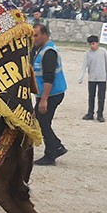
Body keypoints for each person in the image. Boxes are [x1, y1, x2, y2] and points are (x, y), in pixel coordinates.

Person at [31, 24, 68, 166]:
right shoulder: (40, 49)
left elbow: (48, 77)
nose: (33, 38)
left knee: (41, 121)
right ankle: (54, 149)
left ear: (44, 35)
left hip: (51, 94)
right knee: (41, 121)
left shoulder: (49, 52)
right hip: (47, 94)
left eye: (36, 35)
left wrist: (44, 100)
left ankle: (55, 149)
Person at [78, 35, 107, 122]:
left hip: (102, 78)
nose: (92, 46)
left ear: (98, 43)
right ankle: (90, 113)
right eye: (90, 44)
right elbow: (84, 66)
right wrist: (81, 77)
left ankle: (100, 114)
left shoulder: (103, 51)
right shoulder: (87, 53)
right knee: (91, 97)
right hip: (92, 78)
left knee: (101, 97)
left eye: (93, 44)